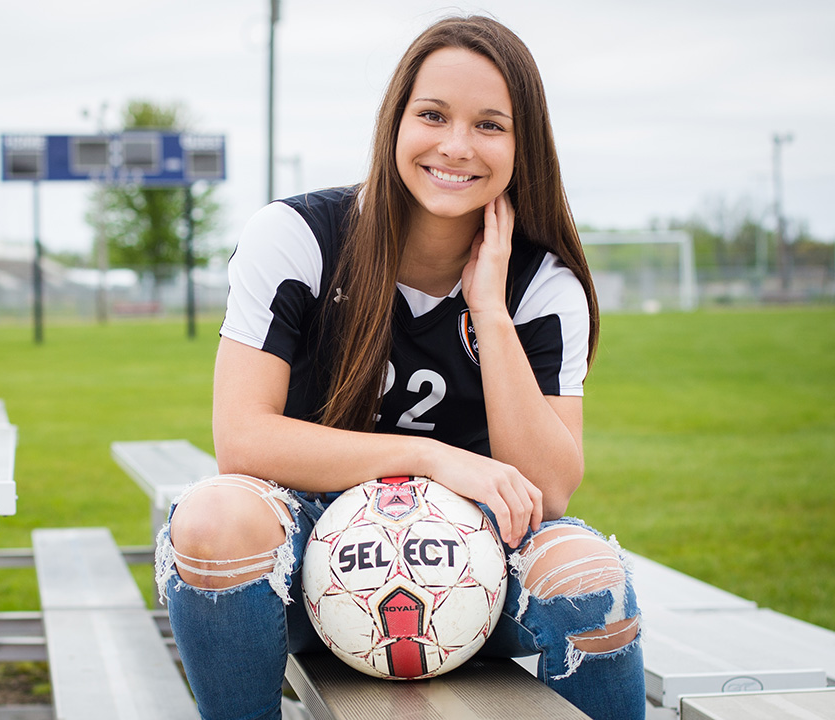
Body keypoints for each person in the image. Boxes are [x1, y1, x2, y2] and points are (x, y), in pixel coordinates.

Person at [155, 15, 645, 720]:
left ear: (522, 144)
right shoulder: (297, 238)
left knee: (587, 571)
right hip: (303, 549)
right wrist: (430, 457)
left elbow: (548, 489)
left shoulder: (542, 284)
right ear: (395, 123)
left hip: (472, 554)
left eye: (489, 125)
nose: (455, 145)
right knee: (214, 517)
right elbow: (242, 440)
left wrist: (490, 309)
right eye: (433, 115)